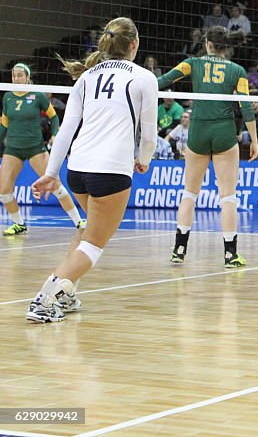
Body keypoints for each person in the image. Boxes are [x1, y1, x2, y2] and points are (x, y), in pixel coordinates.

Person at [27, 17, 158, 323]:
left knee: (88, 231)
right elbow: (149, 135)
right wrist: (145, 159)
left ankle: (68, 292)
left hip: (78, 170)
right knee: (96, 243)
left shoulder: (87, 77)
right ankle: (45, 298)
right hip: (110, 170)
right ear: (134, 45)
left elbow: (68, 127)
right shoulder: (143, 77)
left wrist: (52, 172)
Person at [158, 27, 258, 268]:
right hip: (224, 131)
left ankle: (179, 250)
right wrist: (254, 140)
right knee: (228, 196)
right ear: (224, 45)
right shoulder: (237, 70)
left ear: (207, 44)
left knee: (189, 193)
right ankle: (230, 254)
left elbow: (162, 81)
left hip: (198, 131)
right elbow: (246, 106)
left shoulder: (192, 63)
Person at [1, 63, 84, 236]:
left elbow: (53, 117)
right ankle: (19, 224)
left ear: (27, 77)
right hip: (13, 148)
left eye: (19, 75)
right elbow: (4, 124)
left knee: (55, 185)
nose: (16, 78)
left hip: (35, 148)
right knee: (3, 190)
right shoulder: (7, 97)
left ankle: (78, 221)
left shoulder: (38, 95)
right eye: (13, 75)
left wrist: (54, 134)